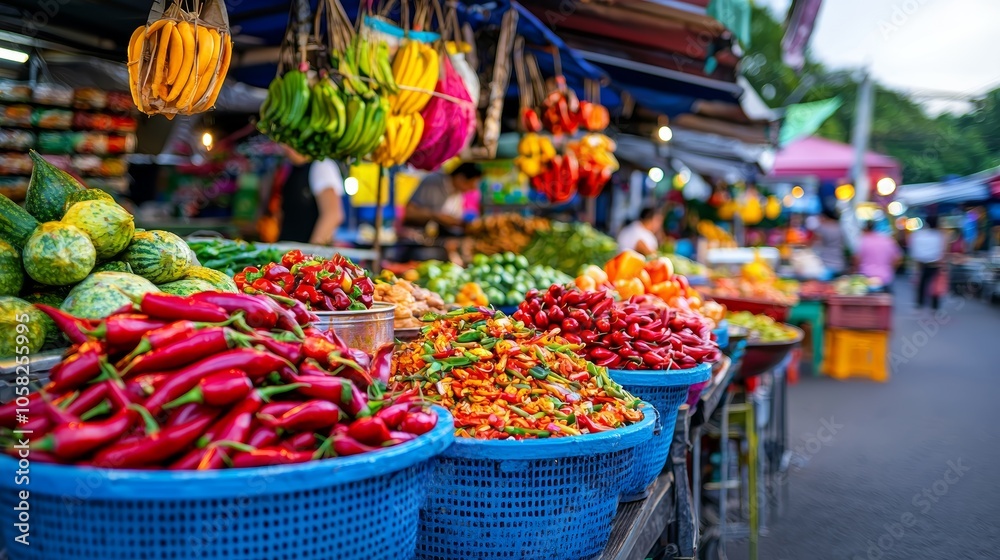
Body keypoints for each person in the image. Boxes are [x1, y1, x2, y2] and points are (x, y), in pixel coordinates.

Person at [277, 146, 345, 245]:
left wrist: (311, 255)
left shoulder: (321, 166)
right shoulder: (290, 168)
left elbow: (333, 215)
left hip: (305, 254)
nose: (284, 147)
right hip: (289, 252)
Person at [404, 163, 483, 231]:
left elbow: (456, 219)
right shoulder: (433, 182)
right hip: (417, 236)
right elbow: (409, 212)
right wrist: (435, 216)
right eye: (470, 185)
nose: (472, 190)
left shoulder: (458, 194)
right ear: (460, 179)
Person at [909, 215, 946, 310]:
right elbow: (943, 251)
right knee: (935, 285)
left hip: (921, 263)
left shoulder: (919, 235)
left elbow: (914, 251)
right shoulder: (939, 236)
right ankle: (935, 305)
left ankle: (920, 302)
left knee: (921, 284)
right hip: (935, 264)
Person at [854, 221, 902, 289]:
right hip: (885, 278)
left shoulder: (862, 241)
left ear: (864, 229)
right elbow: (898, 258)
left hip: (865, 278)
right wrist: (890, 269)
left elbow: (856, 259)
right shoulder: (888, 240)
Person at [810, 207, 846, 277]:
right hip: (840, 262)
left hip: (826, 264)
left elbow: (813, 241)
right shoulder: (839, 227)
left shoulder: (822, 227)